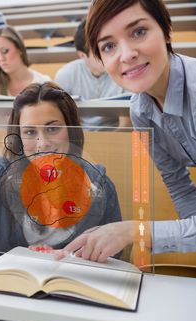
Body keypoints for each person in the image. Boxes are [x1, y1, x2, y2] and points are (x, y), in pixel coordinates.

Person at [0, 81, 121, 321]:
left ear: (70, 129)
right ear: (17, 136)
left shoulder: (99, 184)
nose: (42, 142)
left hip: (65, 307)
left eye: (52, 128)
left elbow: (117, 261)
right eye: (29, 132)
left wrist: (101, 254)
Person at [56, 0, 196, 262]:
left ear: (167, 31)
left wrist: (137, 231)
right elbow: (178, 185)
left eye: (139, 32)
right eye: (109, 46)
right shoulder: (140, 110)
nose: (127, 54)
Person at [55, 19, 132, 129]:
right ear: (82, 55)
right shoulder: (66, 74)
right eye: (97, 52)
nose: (107, 55)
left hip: (117, 134)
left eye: (108, 47)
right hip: (82, 136)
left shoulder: (125, 70)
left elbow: (126, 125)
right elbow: (66, 121)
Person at [0, 25, 51, 125]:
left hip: (31, 139)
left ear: (20, 49)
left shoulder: (43, 82)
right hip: (0, 139)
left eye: (5, 51)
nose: (1, 59)